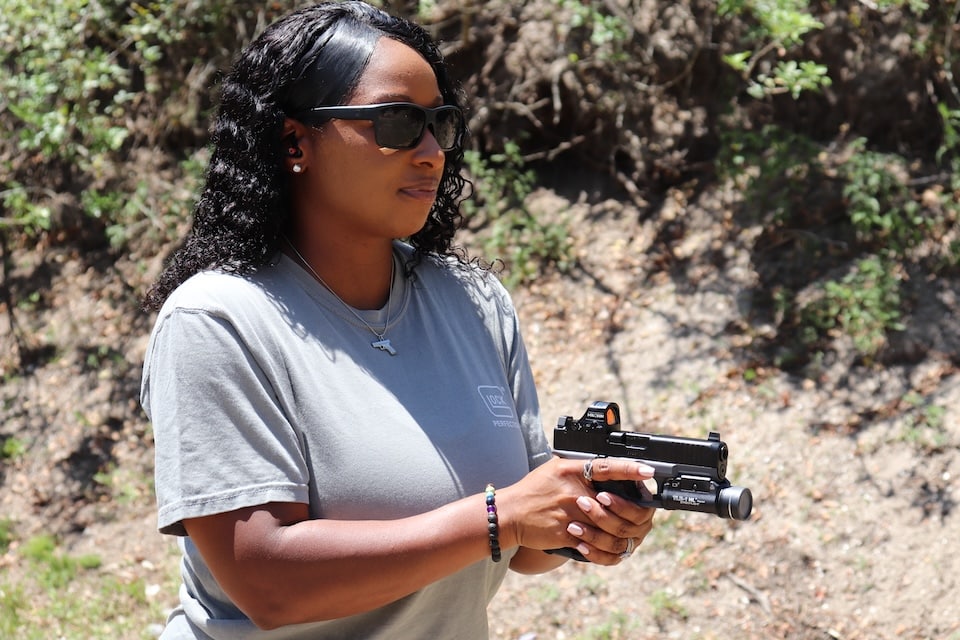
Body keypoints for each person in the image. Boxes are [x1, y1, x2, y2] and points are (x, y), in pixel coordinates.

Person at [139, 2, 655, 638]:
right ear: (294, 141)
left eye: (439, 123)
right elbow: (268, 583)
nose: (432, 152)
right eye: (398, 124)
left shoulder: (475, 303)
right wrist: (500, 518)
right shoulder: (218, 322)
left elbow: (525, 551)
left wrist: (583, 521)